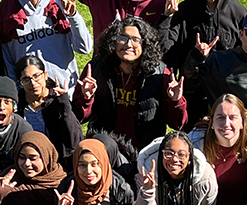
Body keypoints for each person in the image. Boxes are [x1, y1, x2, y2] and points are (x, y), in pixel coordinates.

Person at [74, 17, 188, 148]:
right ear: (113, 41)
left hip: (144, 151)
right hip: (106, 148)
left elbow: (178, 124)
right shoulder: (97, 68)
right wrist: (86, 98)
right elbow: (79, 117)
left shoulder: (160, 73)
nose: (128, 44)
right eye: (123, 38)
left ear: (145, 45)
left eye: (135, 40)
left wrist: (176, 101)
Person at [0, 0, 93, 97]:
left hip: (64, 93)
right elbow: (7, 61)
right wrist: (17, 95)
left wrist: (73, 17)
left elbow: (84, 48)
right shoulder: (5, 13)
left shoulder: (60, 5)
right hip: (30, 100)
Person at [160, 0, 245, 129]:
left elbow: (246, 53)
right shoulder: (184, 11)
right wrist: (167, 18)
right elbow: (164, 50)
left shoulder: (238, 13)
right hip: (192, 93)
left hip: (227, 94)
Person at [14, 53, 84, 159]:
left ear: (45, 75)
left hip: (58, 162)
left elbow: (74, 140)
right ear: (20, 83)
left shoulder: (57, 100)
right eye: (26, 80)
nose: (33, 83)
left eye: (36, 76)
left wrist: (64, 103)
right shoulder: (17, 105)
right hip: (27, 162)